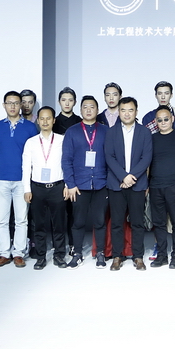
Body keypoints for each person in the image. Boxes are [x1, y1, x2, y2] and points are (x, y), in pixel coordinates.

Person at [103, 97, 153, 271]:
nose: (126, 113)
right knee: (117, 222)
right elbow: (109, 156)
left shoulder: (144, 132)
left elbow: (146, 157)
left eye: (130, 110)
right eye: (123, 110)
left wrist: (131, 177)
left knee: (137, 222)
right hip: (116, 184)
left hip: (137, 184)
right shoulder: (111, 132)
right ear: (119, 112)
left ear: (136, 112)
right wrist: (123, 177)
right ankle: (117, 256)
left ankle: (138, 256)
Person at [0, 91, 37, 267]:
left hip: (22, 180)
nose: (12, 106)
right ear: (4, 105)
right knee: (2, 220)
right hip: (1, 178)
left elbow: (33, 155)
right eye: (9, 103)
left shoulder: (30, 127)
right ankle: (4, 253)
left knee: (21, 219)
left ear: (21, 105)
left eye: (16, 103)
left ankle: (18, 253)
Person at [61, 96, 107, 268]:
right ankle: (77, 253)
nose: (88, 110)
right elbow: (66, 159)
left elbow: (111, 157)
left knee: (100, 221)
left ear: (97, 110)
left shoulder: (105, 131)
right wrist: (70, 184)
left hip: (101, 183)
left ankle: (100, 253)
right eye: (85, 107)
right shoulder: (72, 132)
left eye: (92, 107)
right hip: (79, 185)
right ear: (80, 110)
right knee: (78, 222)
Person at [23, 106, 66, 269]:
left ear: (54, 120)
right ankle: (40, 256)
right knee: (39, 225)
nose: (45, 121)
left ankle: (59, 255)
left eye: (48, 118)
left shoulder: (62, 140)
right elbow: (26, 167)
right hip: (37, 188)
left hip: (57, 187)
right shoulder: (31, 142)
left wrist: (67, 185)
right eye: (42, 118)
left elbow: (67, 164)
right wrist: (27, 189)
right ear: (38, 121)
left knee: (59, 224)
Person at [147, 106, 175, 268]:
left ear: (172, 119)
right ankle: (162, 255)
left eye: (166, 119)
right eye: (160, 120)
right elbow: (148, 164)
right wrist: (147, 184)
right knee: (158, 223)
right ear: (155, 122)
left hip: (174, 186)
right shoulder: (152, 138)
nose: (163, 122)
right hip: (155, 186)